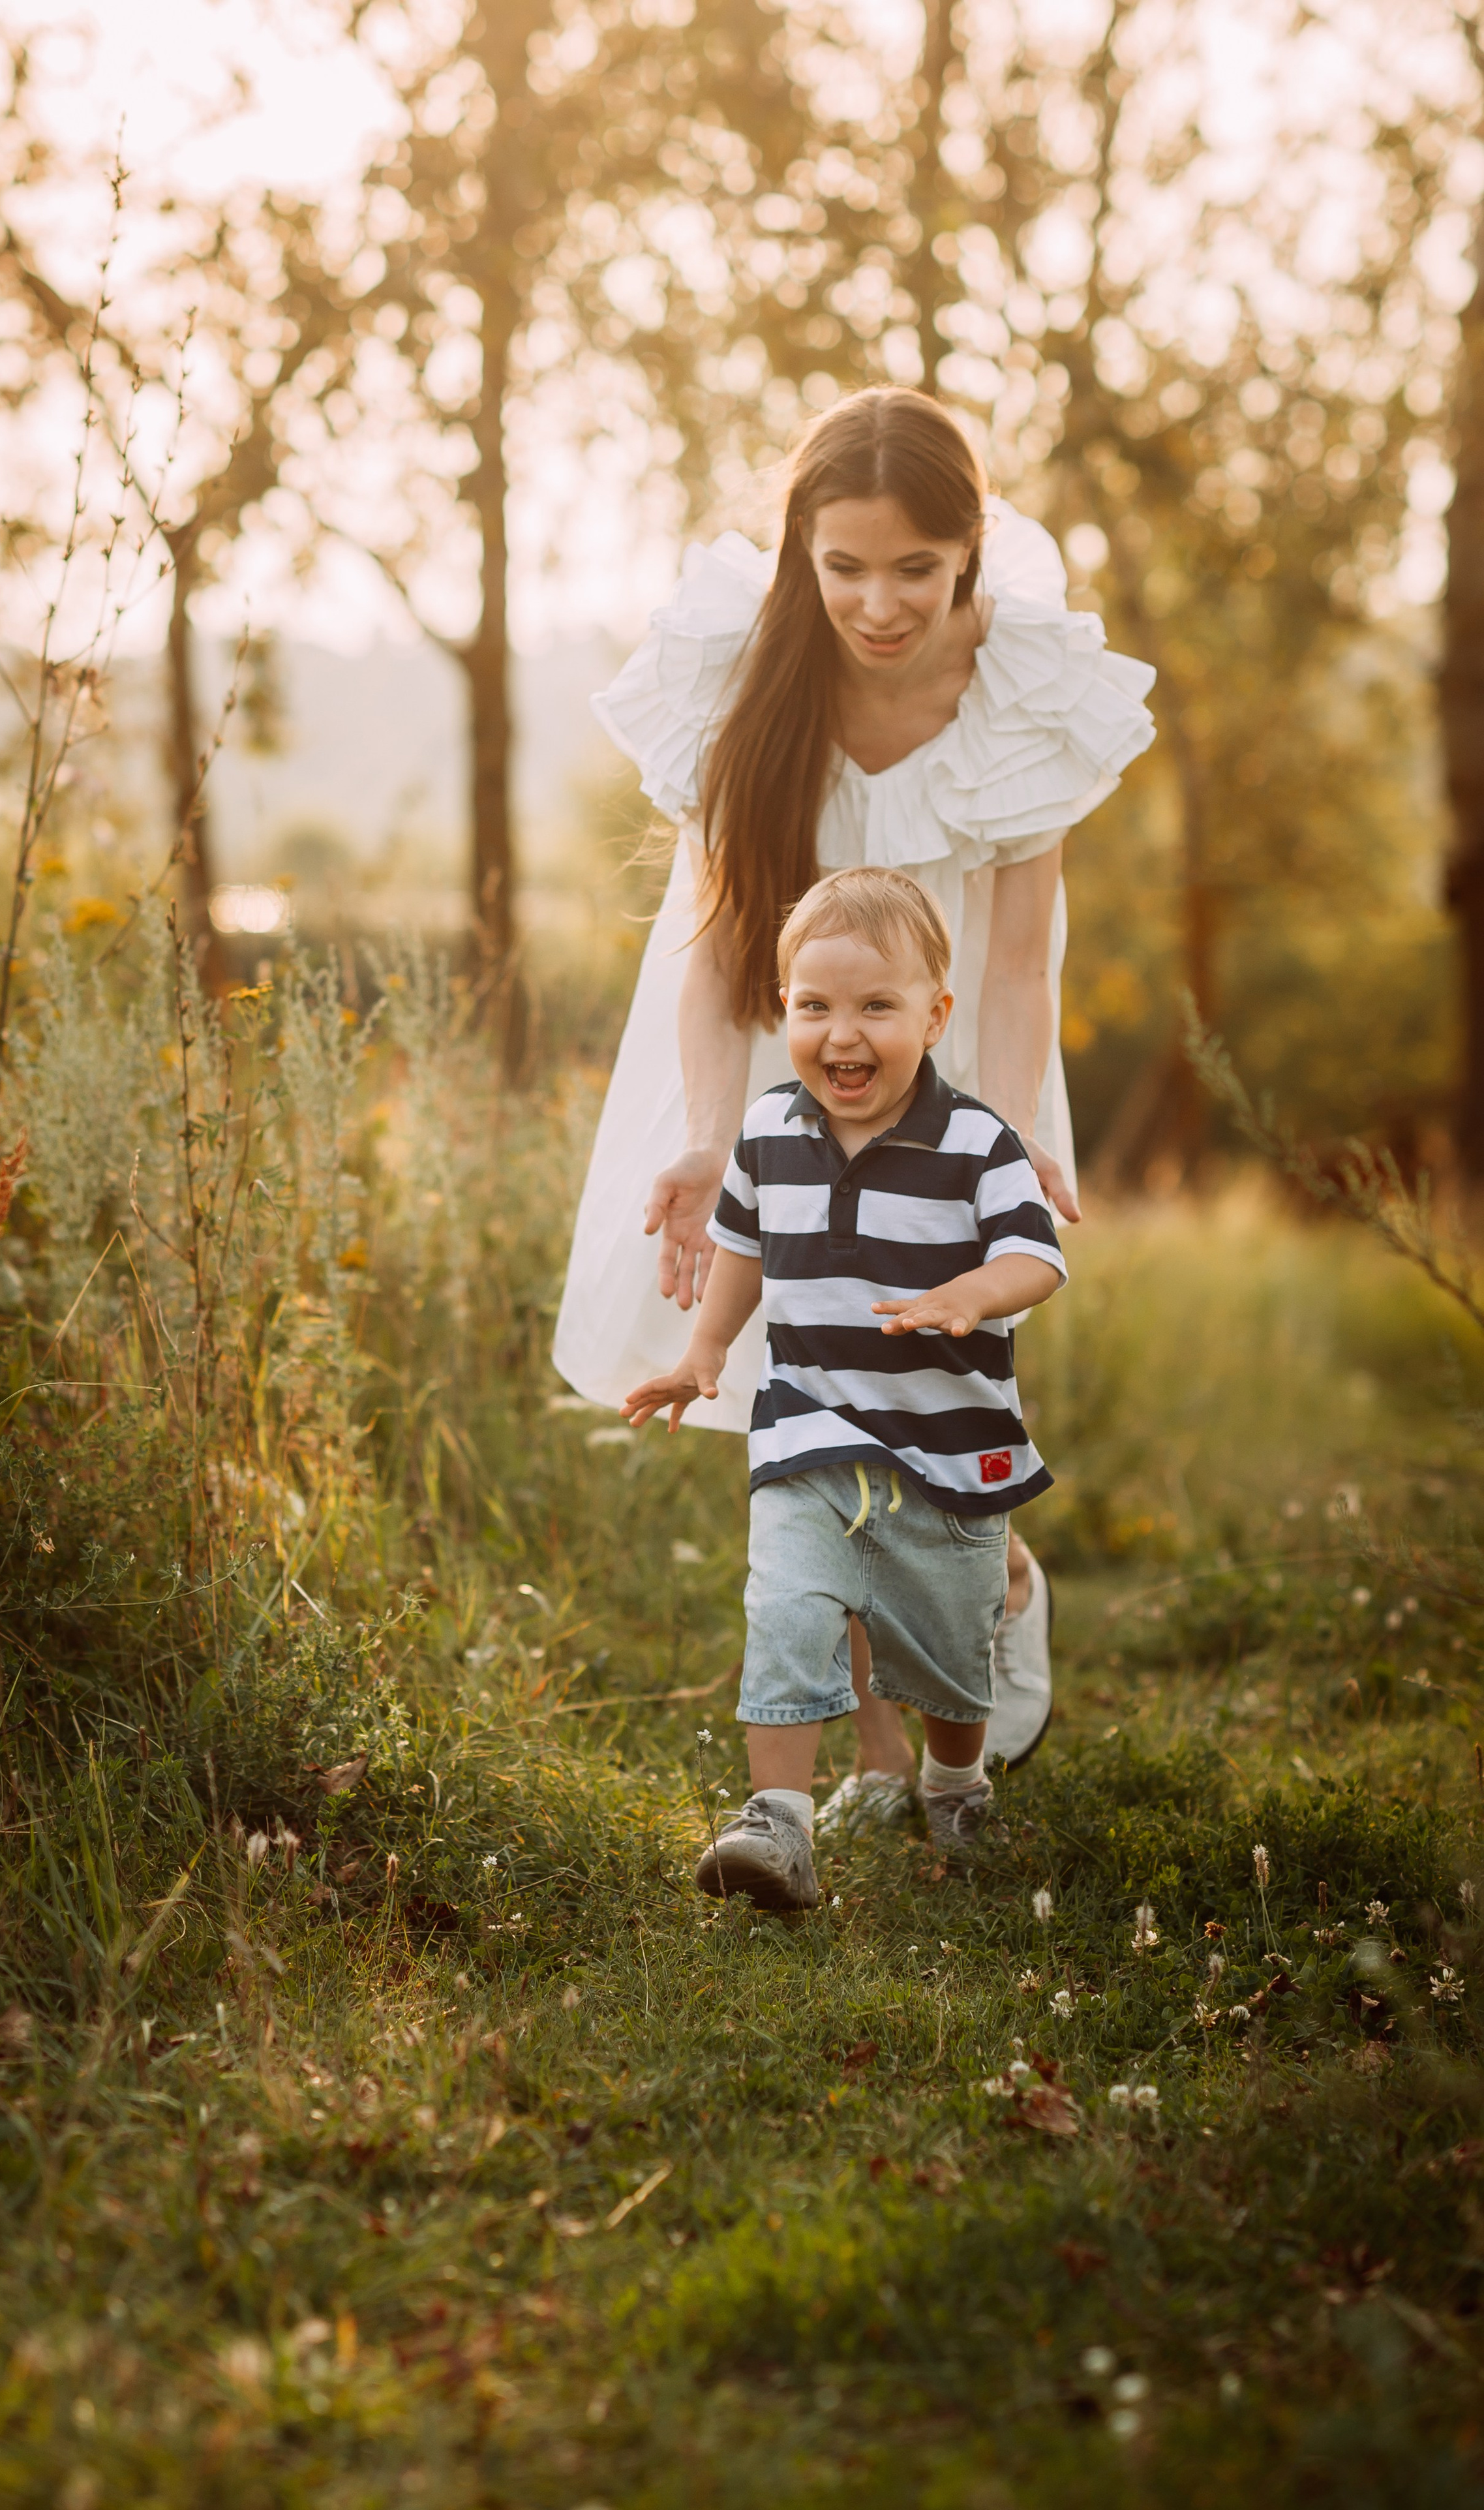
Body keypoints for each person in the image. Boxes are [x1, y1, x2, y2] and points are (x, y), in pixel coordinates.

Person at [554, 387, 1154, 1802]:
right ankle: (882, 1755)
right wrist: (712, 1138)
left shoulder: (1028, 695)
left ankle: (994, 1573)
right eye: (841, 567)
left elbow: (1012, 966)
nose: (876, 605)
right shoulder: (744, 679)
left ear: (968, 559)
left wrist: (980, 1152)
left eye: (913, 572)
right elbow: (713, 954)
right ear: (797, 554)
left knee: (926, 1380)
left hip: (950, 1059)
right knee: (803, 1387)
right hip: (778, 1042)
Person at [621, 868, 1065, 1908]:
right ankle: (777, 1824)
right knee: (783, 1608)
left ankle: (954, 1779)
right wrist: (704, 1352)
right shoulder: (772, 1131)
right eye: (814, 1007)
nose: (842, 1034)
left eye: (876, 1006)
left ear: (934, 1015)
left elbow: (1038, 1258)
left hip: (950, 1450)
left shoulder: (978, 1142)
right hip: (808, 1434)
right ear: (785, 1012)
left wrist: (974, 1290)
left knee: (953, 1650)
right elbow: (741, 1245)